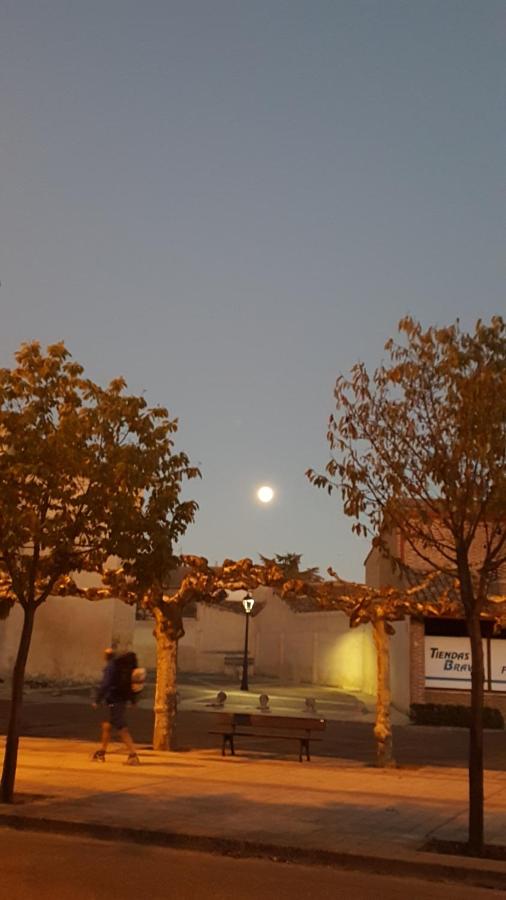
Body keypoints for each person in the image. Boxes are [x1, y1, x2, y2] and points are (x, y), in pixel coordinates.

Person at [92, 648, 140, 765]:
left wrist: (97, 699)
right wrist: (133, 700)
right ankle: (102, 752)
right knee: (107, 726)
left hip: (113, 699)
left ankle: (133, 755)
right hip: (120, 700)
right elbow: (130, 685)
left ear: (107, 656)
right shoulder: (124, 668)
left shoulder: (112, 666)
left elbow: (106, 684)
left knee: (121, 727)